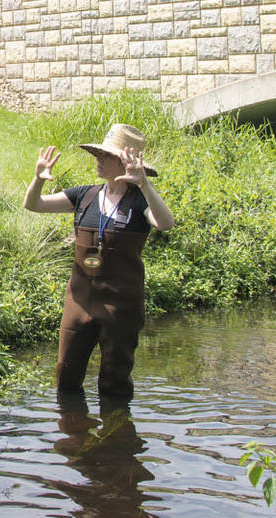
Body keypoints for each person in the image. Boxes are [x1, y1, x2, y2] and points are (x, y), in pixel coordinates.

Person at [21, 123, 175, 400]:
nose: (98, 161)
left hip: (121, 308)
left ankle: (115, 439)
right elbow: (34, 205)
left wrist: (145, 184)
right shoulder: (84, 196)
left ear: (125, 162)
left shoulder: (140, 202)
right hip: (78, 304)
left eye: (106, 156)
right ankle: (73, 438)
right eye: (98, 155)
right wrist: (39, 179)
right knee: (65, 381)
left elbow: (165, 223)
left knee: (114, 386)